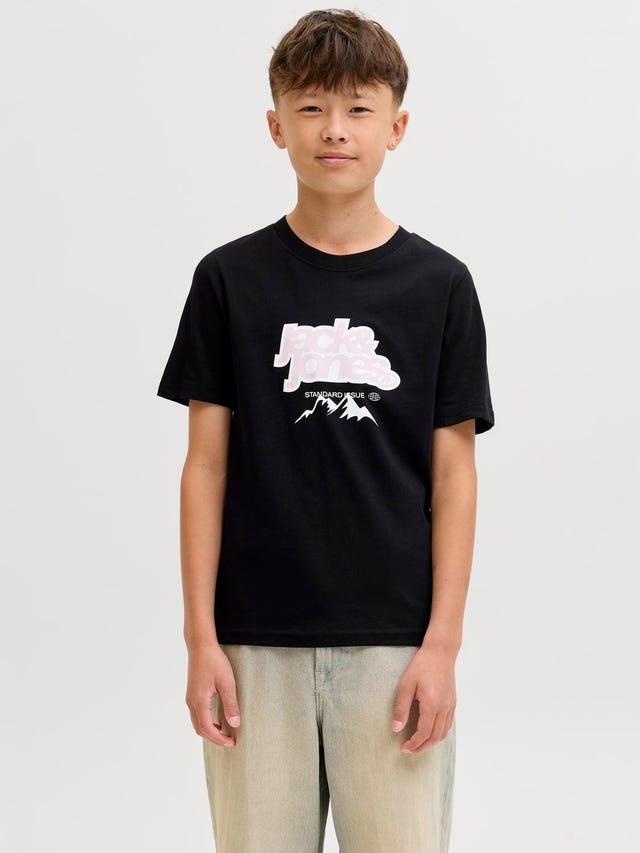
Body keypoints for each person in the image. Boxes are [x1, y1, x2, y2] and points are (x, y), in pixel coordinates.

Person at [156, 8, 495, 852]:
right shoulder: (228, 280)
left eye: (357, 107)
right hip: (253, 643)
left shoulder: (441, 286)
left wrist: (442, 647)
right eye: (310, 107)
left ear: (396, 127)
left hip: (395, 642)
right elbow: (205, 467)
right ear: (277, 126)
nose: (334, 129)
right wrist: (201, 639)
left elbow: (454, 474)